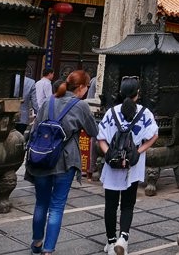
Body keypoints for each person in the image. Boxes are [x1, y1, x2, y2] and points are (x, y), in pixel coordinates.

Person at [28, 70, 98, 255]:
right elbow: (93, 131)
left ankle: (36, 243)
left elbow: (35, 129)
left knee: (41, 203)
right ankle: (48, 250)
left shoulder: (49, 101)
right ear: (81, 87)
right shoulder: (81, 105)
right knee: (57, 206)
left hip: (42, 158)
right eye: (87, 87)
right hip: (65, 161)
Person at [97, 78, 158, 255]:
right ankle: (123, 239)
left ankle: (110, 241)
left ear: (121, 93)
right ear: (137, 94)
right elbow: (153, 135)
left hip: (112, 165)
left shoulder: (111, 112)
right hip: (133, 165)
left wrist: (109, 154)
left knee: (110, 204)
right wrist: (139, 151)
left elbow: (101, 138)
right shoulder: (144, 113)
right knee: (128, 204)